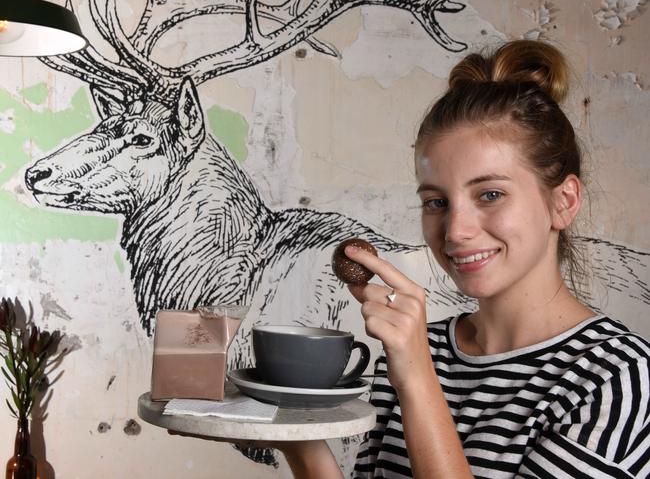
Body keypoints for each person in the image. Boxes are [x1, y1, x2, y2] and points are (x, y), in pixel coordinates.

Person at [172, 39, 650, 478]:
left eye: (490, 194)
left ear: (563, 202)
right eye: (436, 202)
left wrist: (417, 374)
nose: (456, 231)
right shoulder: (429, 348)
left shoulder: (617, 377)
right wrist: (298, 439)